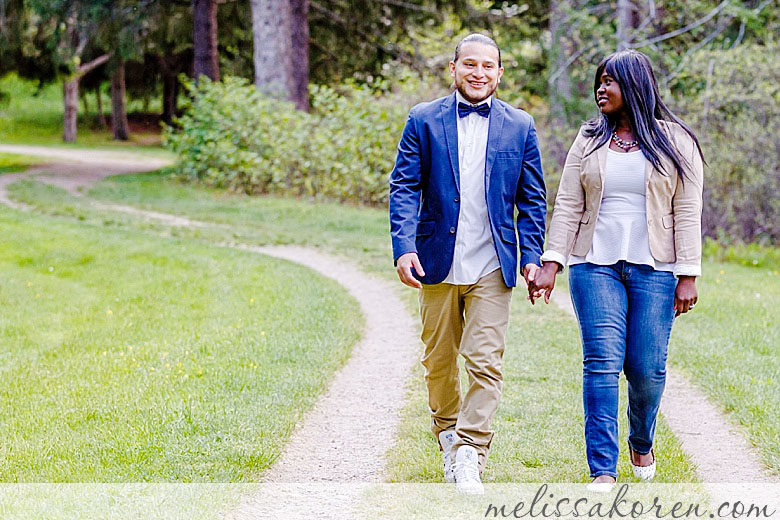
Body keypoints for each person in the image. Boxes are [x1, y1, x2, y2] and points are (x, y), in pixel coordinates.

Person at [530, 49, 704, 491]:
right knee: (602, 363)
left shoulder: (676, 140)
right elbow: (568, 203)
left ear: (636, 86)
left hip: (657, 268)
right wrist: (553, 261)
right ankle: (603, 468)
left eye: (610, 81)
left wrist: (688, 272)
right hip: (594, 265)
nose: (600, 89)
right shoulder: (588, 137)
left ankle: (641, 440)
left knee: (647, 368)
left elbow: (687, 210)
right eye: (599, 81)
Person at [389, 33, 546, 494]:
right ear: (454, 68)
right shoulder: (423, 119)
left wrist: (532, 256)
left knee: (485, 362)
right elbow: (404, 186)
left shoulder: (520, 125)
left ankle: (471, 452)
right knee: (438, 363)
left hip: (493, 263)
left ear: (500, 72)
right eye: (470, 64)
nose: (479, 73)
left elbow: (532, 200)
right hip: (436, 259)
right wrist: (403, 246)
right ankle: (447, 434)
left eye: (488, 66)